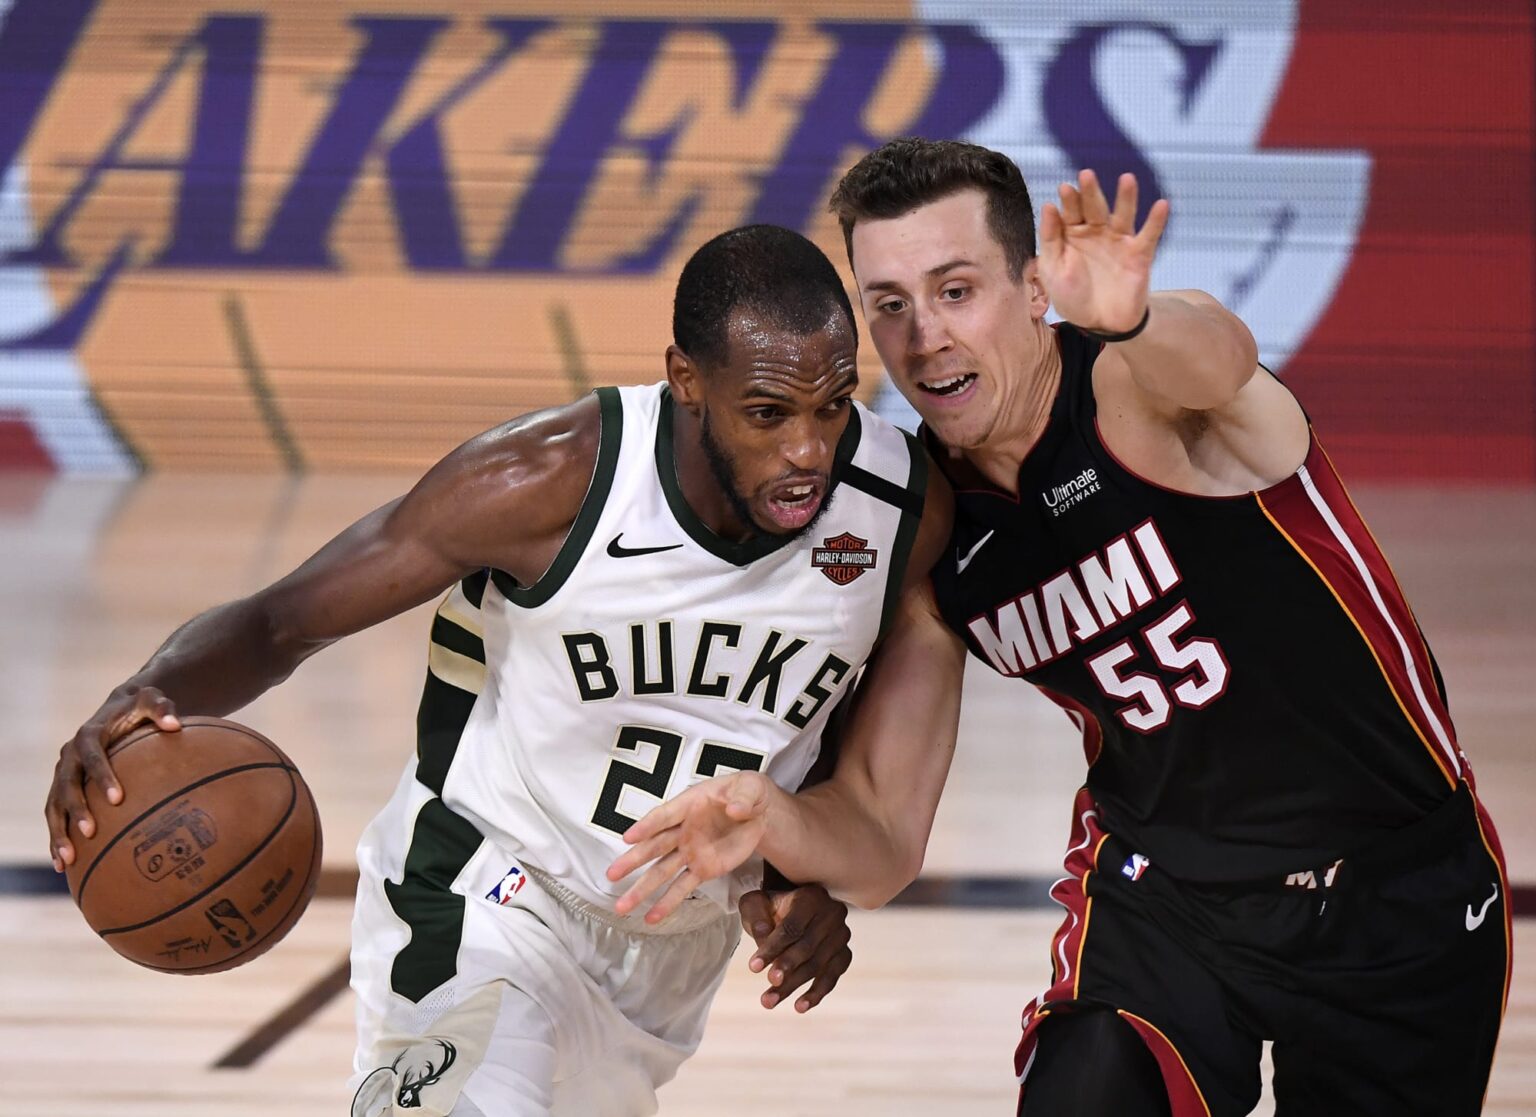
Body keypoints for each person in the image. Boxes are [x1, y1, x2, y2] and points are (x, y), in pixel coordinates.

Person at [609, 139, 1510, 1116]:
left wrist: (1137, 320)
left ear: (1035, 288)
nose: (924, 337)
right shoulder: (926, 521)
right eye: (890, 304)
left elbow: (1222, 361)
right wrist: (781, 834)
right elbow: (883, 823)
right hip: (1165, 902)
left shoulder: (1140, 390)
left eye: (957, 291)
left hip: (1395, 884)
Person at [43, 223, 950, 1117]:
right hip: (483, 896)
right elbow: (279, 622)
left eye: (834, 405)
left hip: (669, 958)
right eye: (768, 413)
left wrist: (795, 881)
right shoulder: (548, 481)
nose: (808, 450)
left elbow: (831, 754)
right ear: (686, 381)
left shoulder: (900, 512)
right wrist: (142, 696)